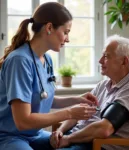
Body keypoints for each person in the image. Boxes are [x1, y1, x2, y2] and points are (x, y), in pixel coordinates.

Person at [0, 2, 98, 150]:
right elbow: (23, 121)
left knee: (75, 143)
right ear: (49, 28)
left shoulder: (47, 60)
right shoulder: (19, 61)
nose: (67, 39)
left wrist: (76, 99)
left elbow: (41, 98)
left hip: (34, 135)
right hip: (8, 136)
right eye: (66, 32)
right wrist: (69, 112)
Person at [50, 34, 129, 150]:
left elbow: (104, 129)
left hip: (96, 145)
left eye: (106, 56)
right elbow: (78, 114)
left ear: (124, 61)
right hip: (78, 138)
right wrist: (60, 131)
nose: (100, 61)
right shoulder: (103, 84)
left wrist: (69, 139)